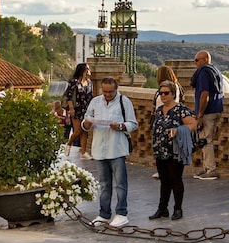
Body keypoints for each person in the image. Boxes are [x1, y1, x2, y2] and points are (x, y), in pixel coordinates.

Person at [81, 76, 137, 228]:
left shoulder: (124, 102)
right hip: (99, 148)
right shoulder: (95, 101)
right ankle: (104, 214)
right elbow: (86, 122)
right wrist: (86, 123)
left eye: (110, 92)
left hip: (117, 148)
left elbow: (133, 124)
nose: (107, 95)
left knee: (120, 183)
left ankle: (121, 213)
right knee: (104, 184)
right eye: (105, 92)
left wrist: (120, 126)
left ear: (116, 89)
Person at [149, 80, 196, 221]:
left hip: (175, 150)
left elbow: (193, 124)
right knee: (164, 180)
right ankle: (162, 208)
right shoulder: (159, 110)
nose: (163, 95)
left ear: (173, 94)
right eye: (160, 93)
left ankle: (178, 208)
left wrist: (178, 130)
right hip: (160, 149)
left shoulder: (181, 110)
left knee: (175, 179)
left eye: (166, 93)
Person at [189, 51, 224, 180]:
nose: (195, 63)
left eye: (196, 60)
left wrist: (199, 115)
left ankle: (210, 170)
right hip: (217, 109)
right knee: (206, 139)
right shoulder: (215, 71)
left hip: (208, 112)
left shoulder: (204, 72)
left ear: (204, 60)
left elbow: (204, 95)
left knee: (205, 140)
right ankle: (206, 168)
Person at [63, 63, 93, 160]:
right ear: (83, 70)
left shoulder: (89, 83)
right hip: (76, 109)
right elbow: (69, 96)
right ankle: (69, 144)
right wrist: (71, 108)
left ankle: (83, 152)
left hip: (86, 109)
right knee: (77, 131)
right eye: (87, 69)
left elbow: (90, 96)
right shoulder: (74, 82)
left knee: (85, 131)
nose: (89, 71)